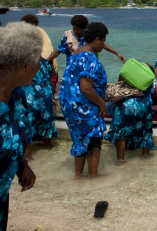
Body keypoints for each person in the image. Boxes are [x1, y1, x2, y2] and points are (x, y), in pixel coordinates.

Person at [0, 22, 40, 229]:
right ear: (25, 65)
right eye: (38, 62)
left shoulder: (15, 95)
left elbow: (13, 135)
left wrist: (22, 164)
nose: (40, 67)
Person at [59, 22, 109, 178]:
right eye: (103, 40)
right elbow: (86, 88)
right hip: (83, 105)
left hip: (69, 103)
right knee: (94, 138)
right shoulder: (89, 57)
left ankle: (78, 176)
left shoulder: (77, 52)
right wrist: (102, 103)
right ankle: (93, 176)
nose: (103, 44)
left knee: (80, 139)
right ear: (96, 39)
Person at [18, 15, 59, 155]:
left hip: (28, 94)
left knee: (26, 131)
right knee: (46, 128)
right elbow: (49, 78)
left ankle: (29, 160)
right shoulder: (39, 49)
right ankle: (48, 155)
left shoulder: (19, 50)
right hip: (44, 93)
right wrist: (52, 98)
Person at [105, 71, 155, 162]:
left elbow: (118, 88)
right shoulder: (149, 76)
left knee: (120, 134)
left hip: (126, 106)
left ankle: (120, 160)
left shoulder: (126, 74)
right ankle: (145, 158)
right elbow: (152, 92)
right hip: (144, 105)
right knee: (146, 133)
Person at [47, 14, 125, 67]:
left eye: (78, 29)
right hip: (73, 67)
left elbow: (103, 45)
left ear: (84, 29)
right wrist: (47, 60)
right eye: (74, 28)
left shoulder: (89, 37)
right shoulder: (68, 38)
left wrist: (116, 53)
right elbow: (58, 50)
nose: (75, 31)